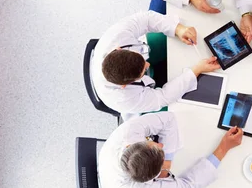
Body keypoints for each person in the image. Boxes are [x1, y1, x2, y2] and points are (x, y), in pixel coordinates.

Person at [98, 111, 244, 188]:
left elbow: (168, 119)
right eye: (159, 146)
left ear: (133, 144)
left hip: (109, 168)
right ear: (151, 179)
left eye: (155, 145)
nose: (162, 144)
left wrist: (167, 159)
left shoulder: (129, 132)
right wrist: (223, 148)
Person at [91, 11, 220, 118]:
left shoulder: (115, 37)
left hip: (136, 63)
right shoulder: (123, 99)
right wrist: (195, 71)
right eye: (143, 71)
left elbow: (145, 20)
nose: (148, 65)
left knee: (170, 35)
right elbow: (163, 97)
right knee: (176, 113)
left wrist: (178, 29)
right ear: (124, 85)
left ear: (119, 49)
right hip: (144, 99)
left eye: (143, 61)